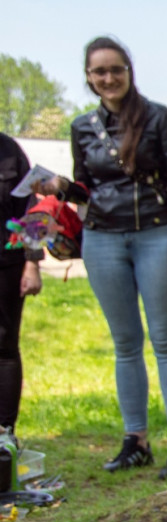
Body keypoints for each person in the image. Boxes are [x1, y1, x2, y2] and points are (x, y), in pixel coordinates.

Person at [35, 36, 167, 478]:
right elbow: (86, 189)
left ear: (129, 71)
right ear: (88, 78)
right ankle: (135, 440)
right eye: (99, 71)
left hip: (157, 236)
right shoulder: (82, 126)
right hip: (102, 238)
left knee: (165, 340)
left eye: (116, 69)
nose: (108, 78)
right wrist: (61, 189)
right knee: (125, 343)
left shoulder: (158, 117)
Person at [0, 133, 43, 442]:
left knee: (4, 346)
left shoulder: (10, 151)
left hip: (7, 263)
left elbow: (31, 210)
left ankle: (4, 435)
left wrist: (32, 261)